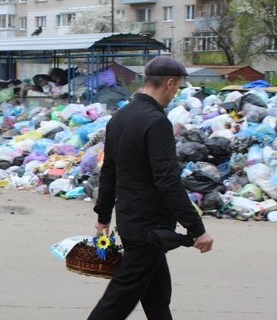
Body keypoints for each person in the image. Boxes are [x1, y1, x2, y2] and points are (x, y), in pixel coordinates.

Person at [88, 56, 214, 320]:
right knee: (116, 302)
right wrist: (196, 228)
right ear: (169, 83)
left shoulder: (119, 117)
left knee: (157, 299)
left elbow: (109, 171)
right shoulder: (157, 122)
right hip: (149, 229)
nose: (176, 92)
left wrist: (103, 216)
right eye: (177, 86)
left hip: (132, 223)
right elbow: (167, 180)